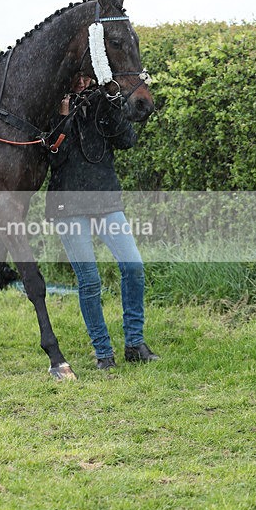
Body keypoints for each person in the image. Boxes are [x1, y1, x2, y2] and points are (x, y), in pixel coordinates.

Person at [46, 72, 158, 370]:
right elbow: (53, 157)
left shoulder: (102, 102)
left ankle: (135, 344)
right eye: (77, 77)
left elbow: (127, 140)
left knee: (133, 266)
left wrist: (111, 105)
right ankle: (103, 353)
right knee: (90, 280)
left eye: (86, 77)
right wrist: (63, 116)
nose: (82, 82)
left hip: (105, 198)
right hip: (68, 203)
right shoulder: (52, 107)